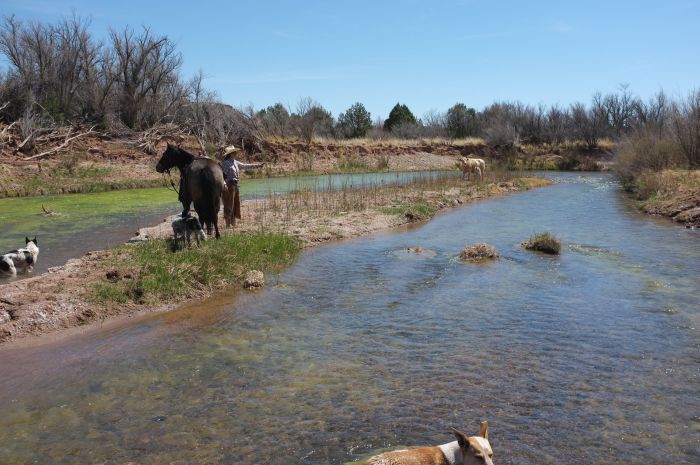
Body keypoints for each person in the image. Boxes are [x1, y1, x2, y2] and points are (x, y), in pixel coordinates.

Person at [220, 145, 264, 228]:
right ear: (230, 154)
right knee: (229, 204)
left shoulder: (235, 162)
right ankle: (227, 224)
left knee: (235, 203)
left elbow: (245, 165)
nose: (235, 153)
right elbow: (223, 175)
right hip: (229, 185)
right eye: (234, 152)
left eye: (235, 152)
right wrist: (224, 185)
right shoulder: (225, 163)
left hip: (235, 185)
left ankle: (233, 223)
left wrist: (258, 165)